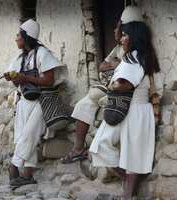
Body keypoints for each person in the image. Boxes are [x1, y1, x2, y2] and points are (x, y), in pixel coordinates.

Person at [89, 21, 162, 199]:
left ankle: (128, 194)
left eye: (125, 35)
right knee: (100, 147)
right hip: (125, 108)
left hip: (134, 108)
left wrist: (113, 86)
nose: (121, 39)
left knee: (132, 154)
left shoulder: (135, 57)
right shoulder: (136, 57)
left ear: (134, 38)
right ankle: (130, 185)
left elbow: (126, 84)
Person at [61, 6, 143, 164]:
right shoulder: (118, 48)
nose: (115, 31)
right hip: (109, 85)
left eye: (119, 28)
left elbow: (126, 76)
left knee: (100, 101)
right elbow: (102, 66)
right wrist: (116, 65)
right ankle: (78, 149)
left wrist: (118, 66)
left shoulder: (135, 51)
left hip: (120, 91)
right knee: (83, 104)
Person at [4, 19, 68, 187]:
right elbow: (18, 83)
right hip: (23, 100)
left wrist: (24, 77)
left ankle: (14, 166)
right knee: (24, 136)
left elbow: (49, 79)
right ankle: (28, 175)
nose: (16, 38)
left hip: (42, 100)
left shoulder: (42, 54)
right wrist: (13, 78)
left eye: (18, 35)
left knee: (30, 134)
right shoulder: (21, 58)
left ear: (26, 37)